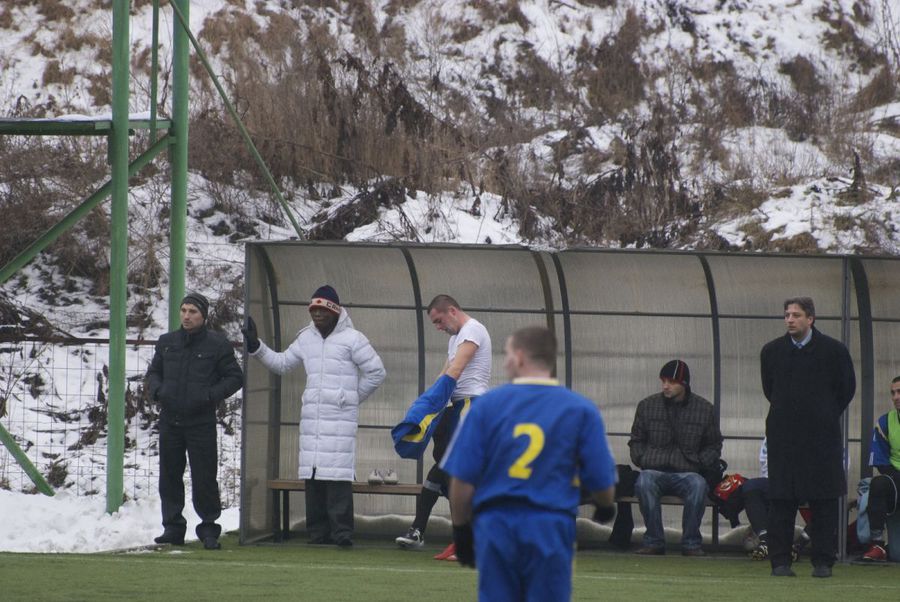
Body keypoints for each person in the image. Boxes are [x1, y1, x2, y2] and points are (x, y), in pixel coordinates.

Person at [443, 326, 617, 601]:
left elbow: (462, 480)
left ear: (521, 357)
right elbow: (601, 478)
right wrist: (605, 506)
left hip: (496, 523)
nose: (505, 361)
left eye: (508, 353)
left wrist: (462, 530)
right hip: (550, 525)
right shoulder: (581, 409)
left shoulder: (486, 407)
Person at [242, 285, 385, 548]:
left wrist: (349, 398)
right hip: (312, 420)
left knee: (338, 476)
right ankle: (317, 534)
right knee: (314, 476)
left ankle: (342, 534)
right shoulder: (305, 338)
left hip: (339, 419)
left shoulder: (354, 339)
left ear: (335, 311)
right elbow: (283, 363)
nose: (316, 314)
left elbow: (377, 372)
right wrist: (256, 346)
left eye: (322, 309)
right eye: (313, 309)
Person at [761, 296, 855, 578]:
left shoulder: (834, 351)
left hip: (821, 438)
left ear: (811, 319)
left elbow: (846, 389)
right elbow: (770, 389)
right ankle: (780, 562)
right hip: (783, 437)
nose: (790, 319)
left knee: (824, 500)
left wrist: (823, 413)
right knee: (781, 501)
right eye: (787, 314)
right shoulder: (772, 352)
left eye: (796, 315)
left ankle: (823, 561)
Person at [395, 294, 491, 560]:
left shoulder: (473, 330)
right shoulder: (455, 338)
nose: (438, 327)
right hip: (456, 407)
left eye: (439, 321)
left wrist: (429, 404)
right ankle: (420, 531)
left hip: (472, 406)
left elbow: (456, 370)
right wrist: (424, 407)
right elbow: (444, 373)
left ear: (452, 310)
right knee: (442, 470)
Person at [146, 291, 243, 550]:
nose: (187, 316)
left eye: (193, 312)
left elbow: (235, 377)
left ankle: (209, 529)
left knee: (204, 477)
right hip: (170, 420)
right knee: (169, 476)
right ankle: (173, 527)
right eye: (184, 310)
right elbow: (154, 372)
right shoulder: (166, 342)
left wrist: (210, 396)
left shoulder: (217, 344)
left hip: (201, 422)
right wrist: (158, 391)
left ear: (203, 316)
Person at [628, 359, 723, 556]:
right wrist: (642, 458)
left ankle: (691, 543)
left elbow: (714, 444)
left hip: (688, 471)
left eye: (671, 381)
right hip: (654, 469)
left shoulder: (704, 409)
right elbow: (636, 439)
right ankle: (654, 541)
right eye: (663, 380)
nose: (665, 385)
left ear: (684, 383)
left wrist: (700, 463)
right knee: (644, 481)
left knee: (698, 484)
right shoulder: (647, 406)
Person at [859, 375, 900, 562]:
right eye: (893, 393)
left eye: (899, 392)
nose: (896, 397)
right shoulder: (885, 422)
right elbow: (881, 462)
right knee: (878, 483)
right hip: (895, 481)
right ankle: (877, 543)